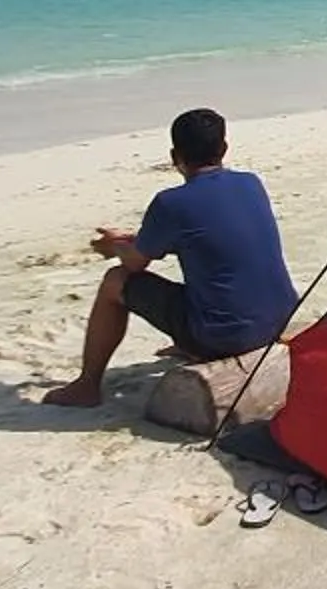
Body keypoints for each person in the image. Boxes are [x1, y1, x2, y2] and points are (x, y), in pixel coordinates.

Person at [43, 107, 299, 407]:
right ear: (223, 148)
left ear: (174, 156)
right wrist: (133, 241)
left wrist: (114, 247)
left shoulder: (170, 203)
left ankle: (86, 386)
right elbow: (203, 235)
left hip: (227, 336)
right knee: (210, 265)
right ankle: (184, 342)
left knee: (115, 281)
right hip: (280, 319)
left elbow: (135, 263)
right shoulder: (250, 183)